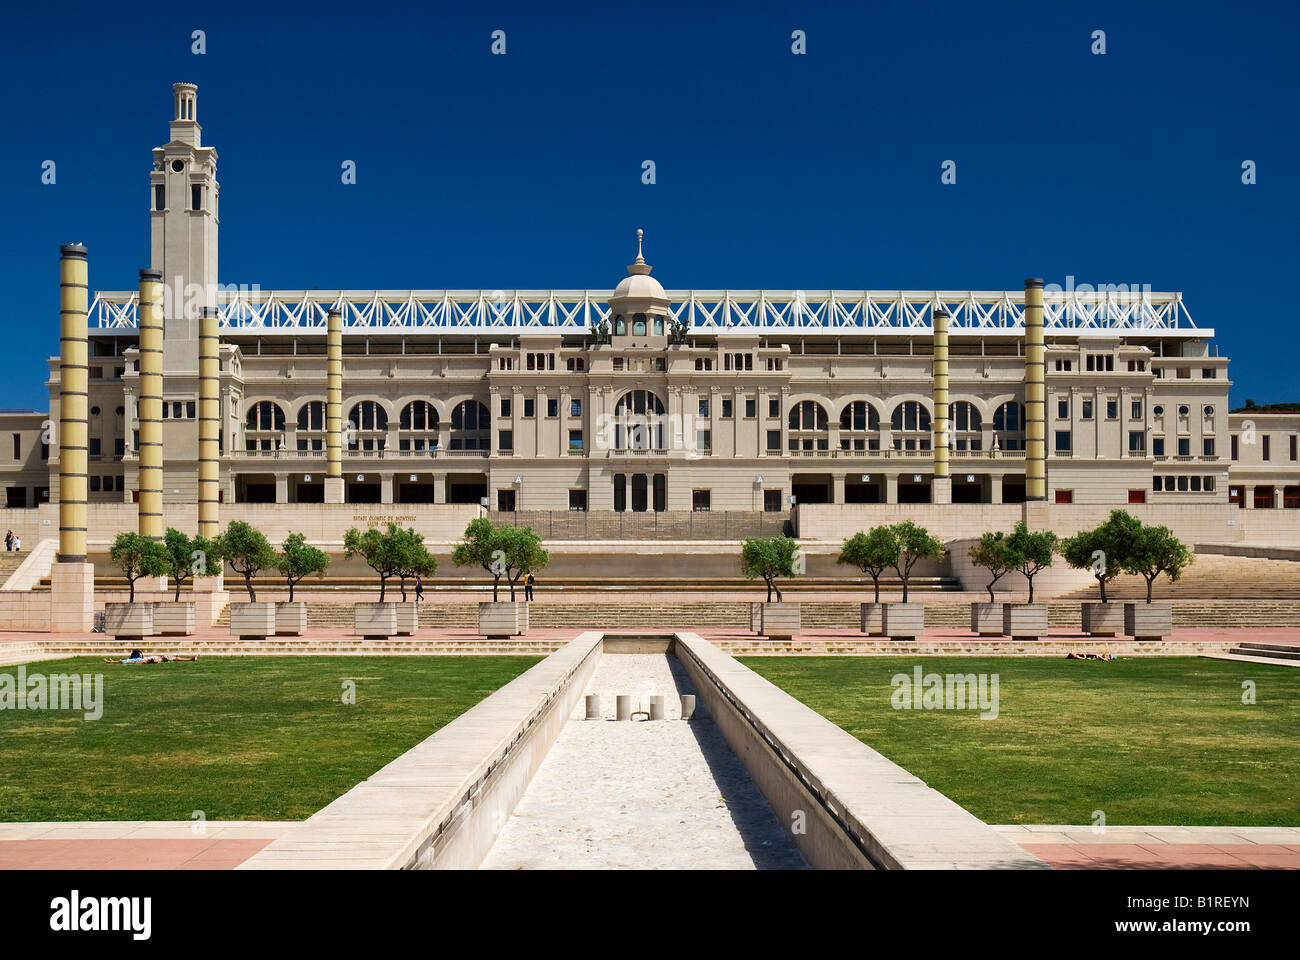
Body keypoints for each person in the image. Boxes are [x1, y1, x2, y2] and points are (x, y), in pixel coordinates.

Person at [103, 649, 199, 664]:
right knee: (174, 658)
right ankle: (191, 659)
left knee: (174, 658)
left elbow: (122, 661)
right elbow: (122, 661)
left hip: (156, 658)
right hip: (155, 658)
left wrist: (112, 661)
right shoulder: (137, 658)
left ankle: (191, 659)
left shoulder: (136, 659)